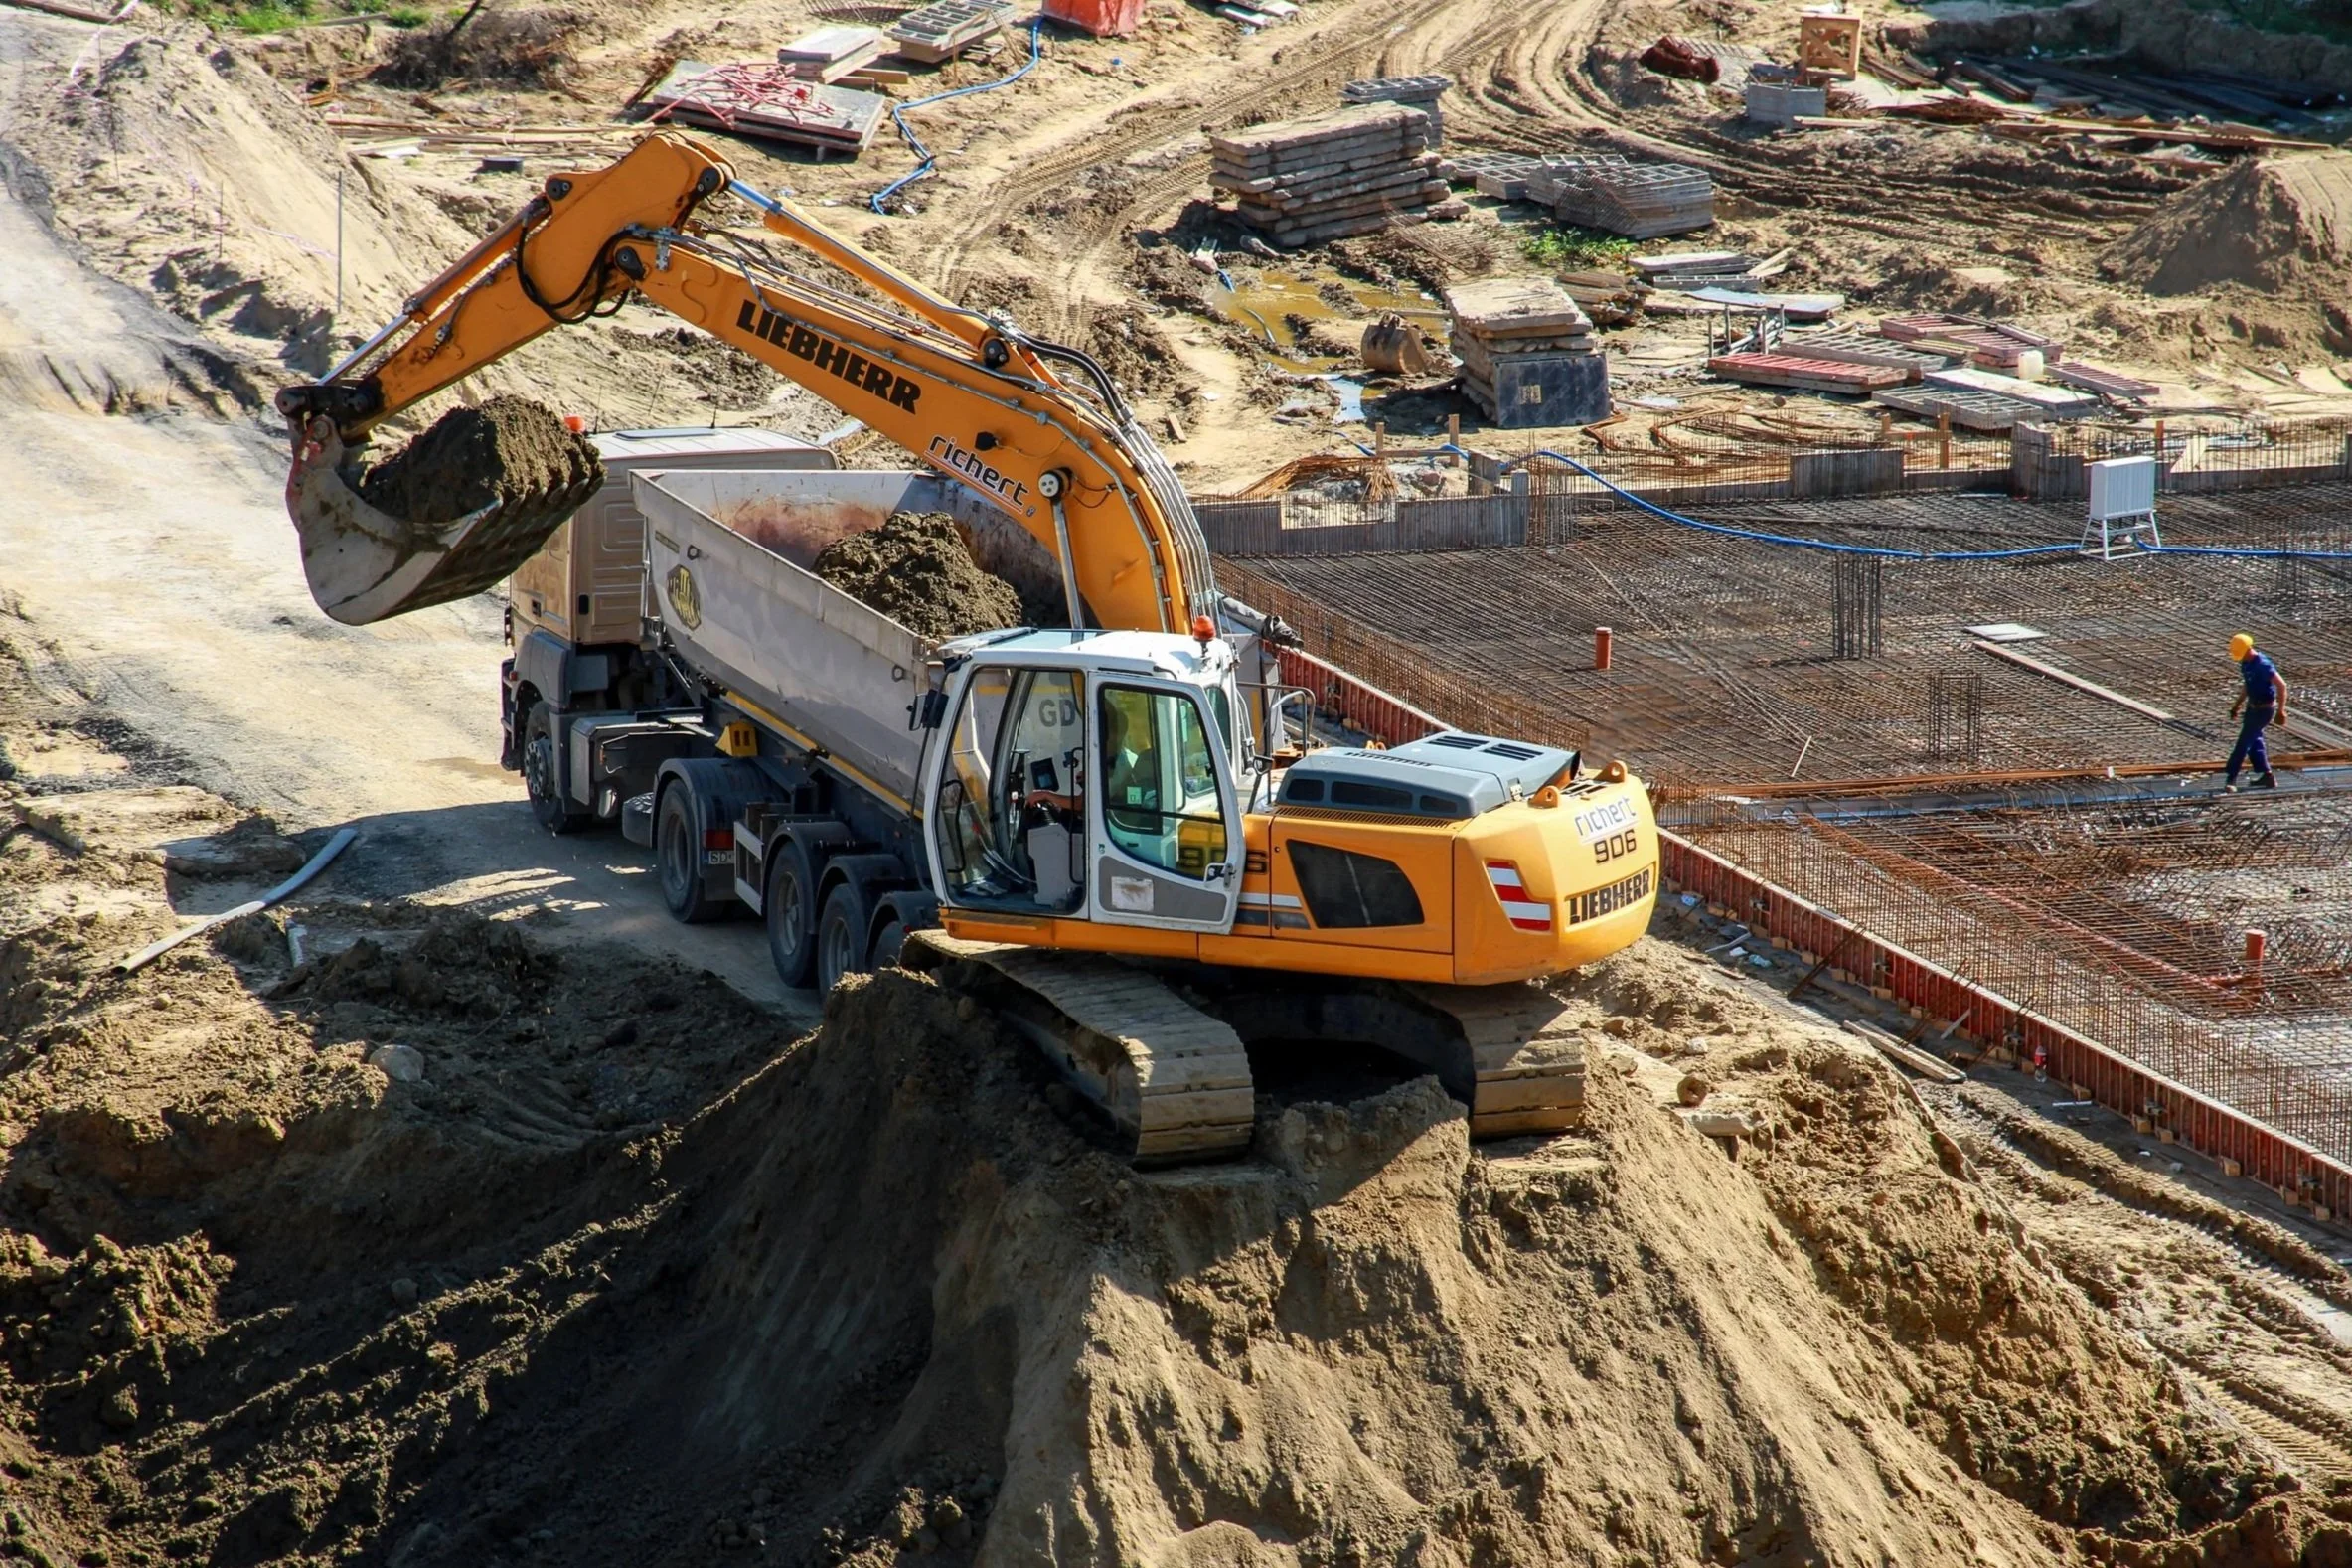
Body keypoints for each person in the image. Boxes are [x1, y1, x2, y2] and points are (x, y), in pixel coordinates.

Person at [2224, 632, 2287, 793]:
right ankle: (2267, 776)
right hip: (2252, 708)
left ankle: (2231, 778)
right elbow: (2248, 685)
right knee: (2254, 741)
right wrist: (2236, 705)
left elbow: (2282, 685)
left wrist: (2281, 710)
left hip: (2264, 710)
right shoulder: (2245, 663)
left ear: (2247, 649)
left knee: (2243, 743)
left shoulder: (2263, 664)